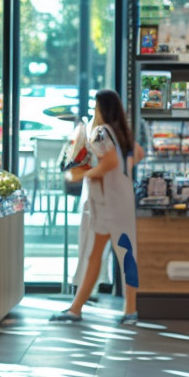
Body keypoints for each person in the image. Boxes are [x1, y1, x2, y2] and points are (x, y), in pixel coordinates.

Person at [51, 89, 144, 325]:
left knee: (100, 256)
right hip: (120, 202)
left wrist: (86, 174)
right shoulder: (121, 133)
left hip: (108, 205)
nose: (94, 111)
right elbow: (138, 153)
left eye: (95, 107)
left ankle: (79, 309)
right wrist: (124, 171)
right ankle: (89, 309)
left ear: (102, 109)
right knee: (119, 256)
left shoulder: (102, 133)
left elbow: (110, 161)